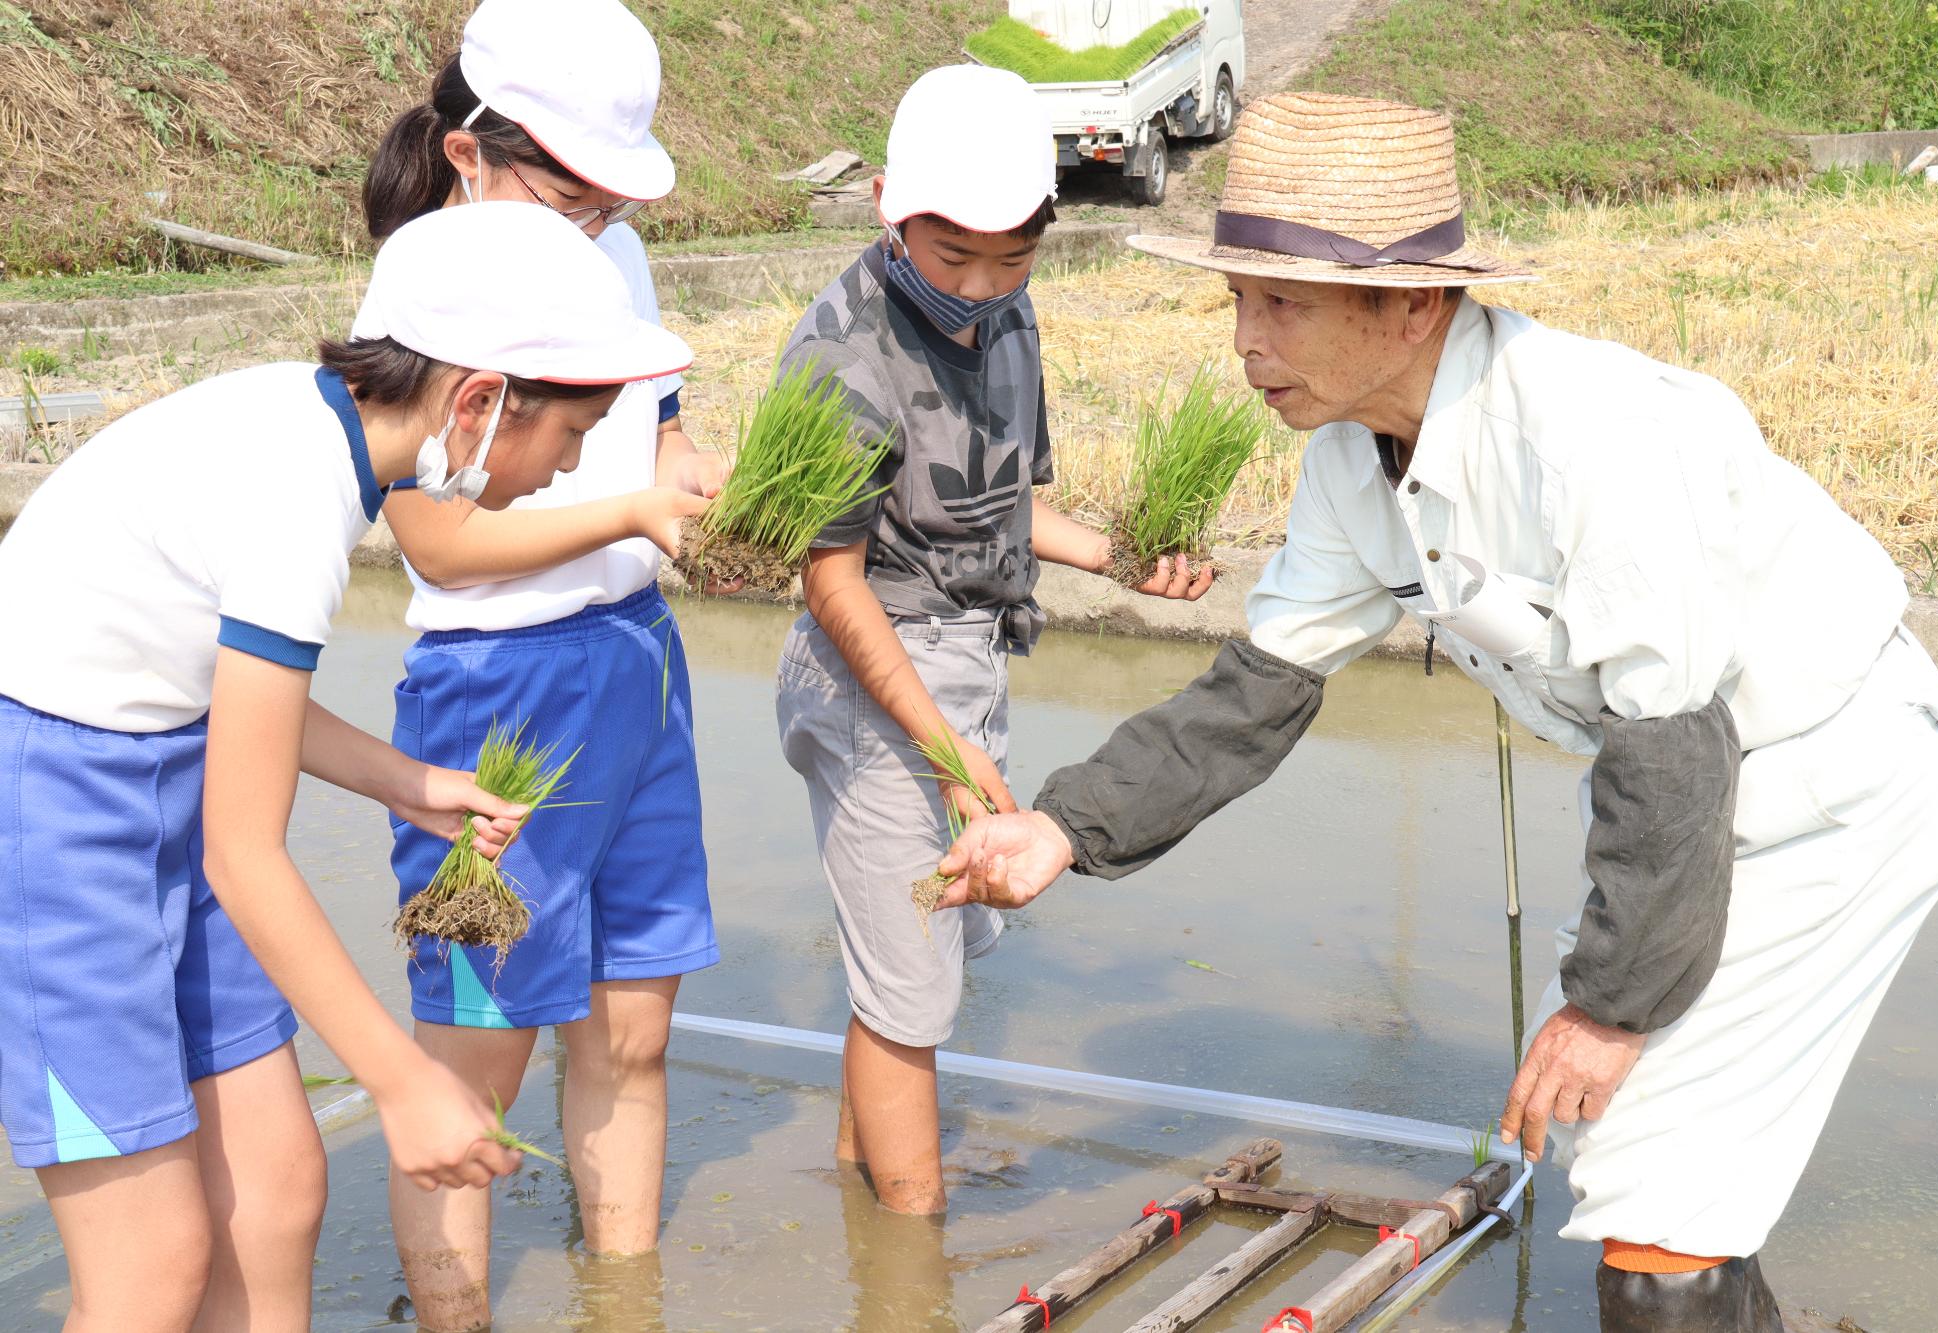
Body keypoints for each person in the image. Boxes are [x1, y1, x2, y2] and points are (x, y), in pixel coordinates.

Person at [934, 94, 1938, 1330]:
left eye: (1281, 303)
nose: (1244, 342)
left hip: (1832, 788)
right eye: (1236, 301)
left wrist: (1606, 1006)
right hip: (1702, 803)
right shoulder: (1346, 462)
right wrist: (1059, 827)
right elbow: (1254, 695)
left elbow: (1671, 747)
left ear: (1410, 302)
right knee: (1651, 1168)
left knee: (1646, 1198)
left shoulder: (1594, 438)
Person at [0, 200, 687, 1333]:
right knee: (151, 1264)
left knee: (275, 1196)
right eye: (569, 435)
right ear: (479, 402)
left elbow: (211, 691)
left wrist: (406, 780)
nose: (567, 467)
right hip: (52, 807)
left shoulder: (318, 440)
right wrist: (404, 1078)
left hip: (161, 753)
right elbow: (245, 849)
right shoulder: (296, 495)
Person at [774, 64, 1215, 1217]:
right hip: (876, 678)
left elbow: (998, 502)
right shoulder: (839, 356)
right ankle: (910, 1252)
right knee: (908, 990)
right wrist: (940, 748)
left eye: (1009, 256)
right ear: (887, 204)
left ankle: (859, 1183)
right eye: (950, 255)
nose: (978, 286)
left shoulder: (1006, 314)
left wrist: (1120, 559)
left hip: (965, 662)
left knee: (905, 976)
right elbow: (828, 574)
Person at [358, 1, 723, 1325]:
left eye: (611, 198)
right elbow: (443, 543)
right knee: (473, 1058)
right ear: (469, 153)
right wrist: (625, 512)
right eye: (568, 190)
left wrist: (681, 474)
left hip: (636, 668)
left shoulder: (608, 254)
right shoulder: (420, 292)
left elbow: (662, 418)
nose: (594, 223)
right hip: (491, 698)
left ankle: (625, 1300)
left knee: (632, 1029)